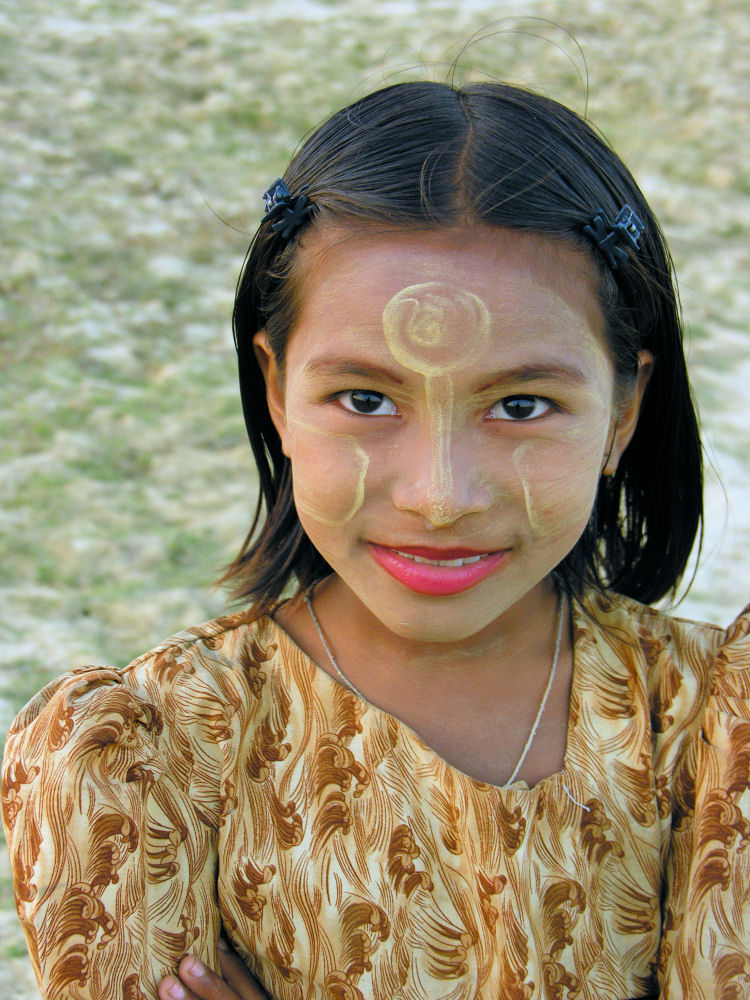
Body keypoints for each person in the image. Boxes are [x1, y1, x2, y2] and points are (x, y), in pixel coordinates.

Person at [2, 79, 749, 1000]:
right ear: (276, 392)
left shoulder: (712, 736)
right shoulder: (151, 761)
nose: (440, 497)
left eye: (521, 405)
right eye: (365, 399)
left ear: (623, 413)